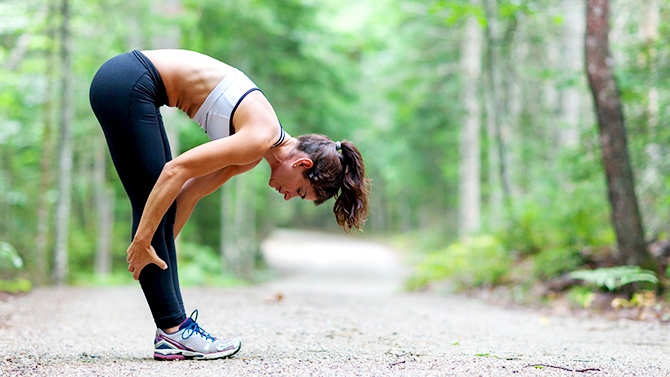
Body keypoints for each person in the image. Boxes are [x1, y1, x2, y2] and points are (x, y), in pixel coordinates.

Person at [89, 49, 370, 360]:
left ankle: (172, 332)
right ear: (302, 164)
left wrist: (163, 251)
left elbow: (188, 193)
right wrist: (143, 240)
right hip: (130, 80)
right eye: (301, 192)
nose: (289, 196)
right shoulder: (259, 137)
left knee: (158, 205)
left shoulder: (253, 151)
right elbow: (175, 171)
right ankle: (173, 332)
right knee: (152, 198)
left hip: (129, 83)